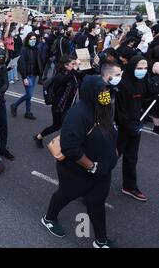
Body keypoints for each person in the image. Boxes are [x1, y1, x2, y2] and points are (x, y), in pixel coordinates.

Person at [41, 75, 118, 248]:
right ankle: (49, 218)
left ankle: (101, 241)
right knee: (65, 195)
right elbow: (70, 147)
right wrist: (91, 166)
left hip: (102, 173)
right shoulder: (77, 114)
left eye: (106, 90)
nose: (106, 94)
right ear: (91, 93)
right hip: (76, 173)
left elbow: (110, 133)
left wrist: (112, 154)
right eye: (102, 91)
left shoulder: (104, 108)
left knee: (97, 204)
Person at [115, 55, 148, 202]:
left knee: (131, 158)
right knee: (110, 158)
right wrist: (129, 125)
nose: (142, 71)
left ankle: (129, 186)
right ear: (132, 67)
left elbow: (144, 102)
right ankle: (89, 185)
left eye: (145, 68)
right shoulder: (122, 85)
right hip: (121, 129)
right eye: (139, 68)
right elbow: (118, 111)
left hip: (136, 126)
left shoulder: (142, 82)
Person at [34, 55, 79, 148]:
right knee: (57, 126)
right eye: (73, 64)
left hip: (69, 106)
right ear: (66, 66)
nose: (75, 65)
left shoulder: (72, 74)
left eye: (75, 63)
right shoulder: (59, 76)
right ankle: (39, 137)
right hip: (59, 107)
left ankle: (68, 146)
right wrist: (75, 69)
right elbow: (64, 80)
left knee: (68, 126)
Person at [11, 33, 42, 120]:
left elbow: (38, 62)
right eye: (31, 39)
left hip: (34, 75)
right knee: (29, 94)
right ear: (28, 39)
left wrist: (40, 73)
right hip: (27, 75)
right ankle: (14, 105)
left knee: (29, 95)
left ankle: (28, 112)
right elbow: (22, 64)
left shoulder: (36, 49)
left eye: (34, 39)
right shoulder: (23, 50)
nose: (33, 41)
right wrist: (24, 78)